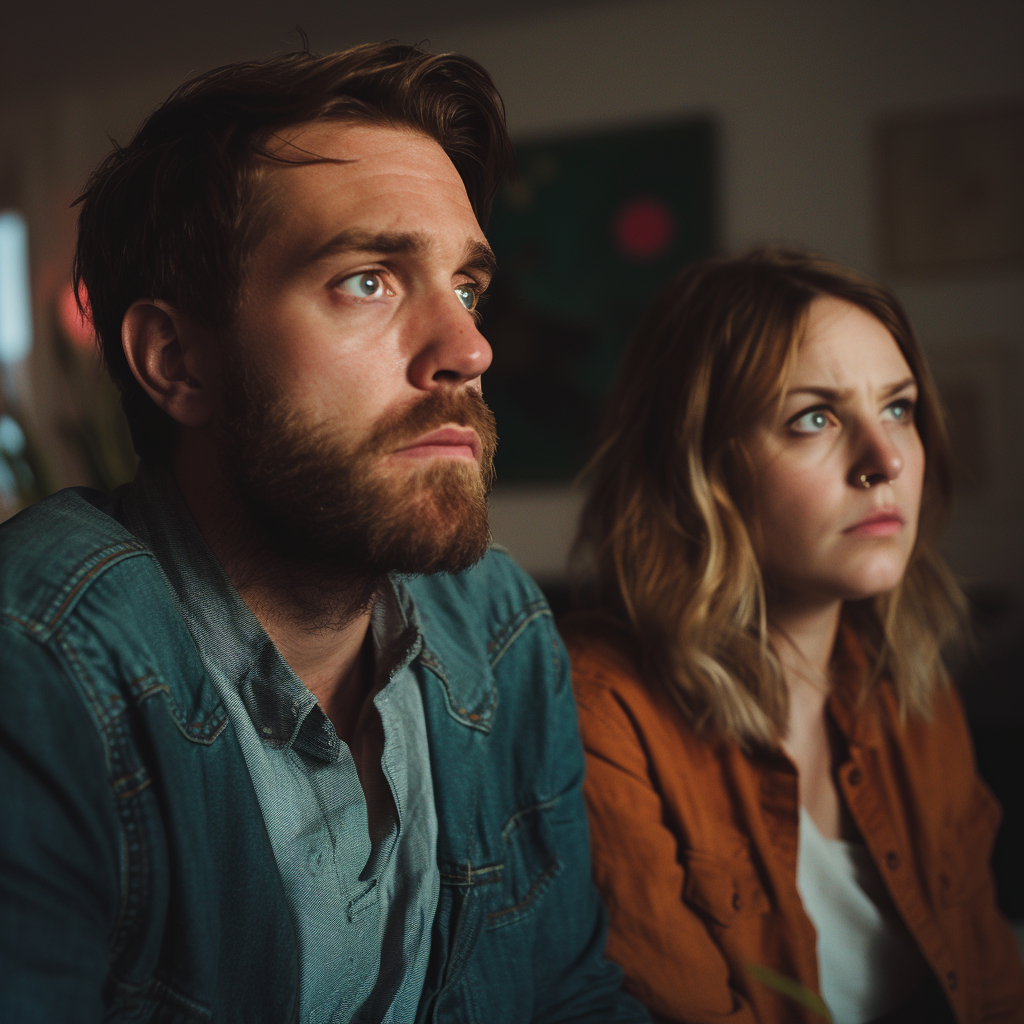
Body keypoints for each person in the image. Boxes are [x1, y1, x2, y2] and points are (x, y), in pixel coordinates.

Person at [0, 44, 648, 1024]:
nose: (468, 348)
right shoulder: (38, 663)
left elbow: (569, 995)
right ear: (177, 361)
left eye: (466, 288)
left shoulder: (500, 623)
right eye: (367, 281)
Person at [563, 248, 1024, 1024]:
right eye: (814, 418)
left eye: (900, 408)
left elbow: (990, 981)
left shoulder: (909, 686)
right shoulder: (598, 711)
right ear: (699, 466)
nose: (884, 461)